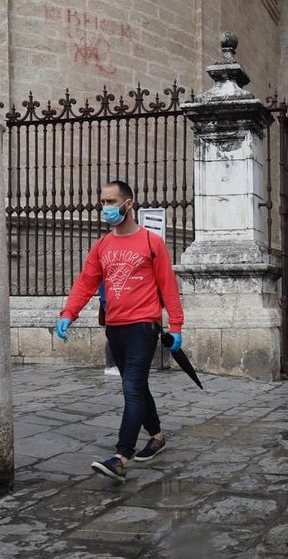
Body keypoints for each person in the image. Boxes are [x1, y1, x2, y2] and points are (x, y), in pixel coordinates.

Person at [55, 179, 185, 483]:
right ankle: (157, 436)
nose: (106, 208)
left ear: (129, 204)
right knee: (135, 385)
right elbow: (86, 282)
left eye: (112, 202)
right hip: (115, 327)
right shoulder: (102, 246)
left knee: (132, 388)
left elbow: (168, 286)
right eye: (103, 202)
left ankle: (121, 457)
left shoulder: (152, 244)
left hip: (143, 326)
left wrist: (176, 325)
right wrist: (68, 313)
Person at [99, 283, 119, 376]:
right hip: (109, 301)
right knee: (114, 333)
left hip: (114, 301)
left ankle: (114, 365)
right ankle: (110, 365)